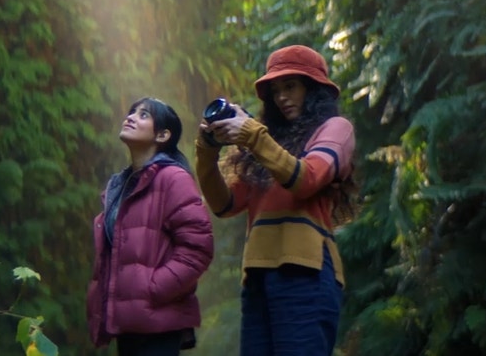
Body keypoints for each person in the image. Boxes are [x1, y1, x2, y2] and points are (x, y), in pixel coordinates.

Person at [195, 44, 357, 355]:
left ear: (313, 89)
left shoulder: (336, 129)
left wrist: (254, 136)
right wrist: (207, 150)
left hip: (307, 270)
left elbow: (307, 178)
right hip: (257, 275)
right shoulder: (265, 144)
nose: (282, 97)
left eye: (290, 86)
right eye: (275, 91)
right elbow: (224, 204)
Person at [87, 97, 214, 356]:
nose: (130, 117)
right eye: (131, 112)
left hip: (158, 323)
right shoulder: (121, 186)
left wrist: (152, 289)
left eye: (143, 115)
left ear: (163, 135)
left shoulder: (173, 179)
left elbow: (198, 249)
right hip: (128, 324)